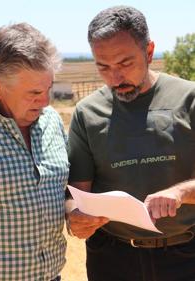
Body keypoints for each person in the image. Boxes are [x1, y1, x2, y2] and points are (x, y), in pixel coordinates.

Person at [66, 5, 195, 281]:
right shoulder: (87, 113)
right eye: (103, 66)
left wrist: (180, 193)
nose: (115, 77)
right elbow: (76, 194)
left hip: (186, 255)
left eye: (125, 64)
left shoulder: (189, 99)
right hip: (112, 260)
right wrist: (75, 217)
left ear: (149, 52)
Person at [0, 23, 69, 281]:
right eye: (35, 93)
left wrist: (74, 209)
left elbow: (63, 187)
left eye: (49, 89)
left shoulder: (52, 121)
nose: (46, 102)